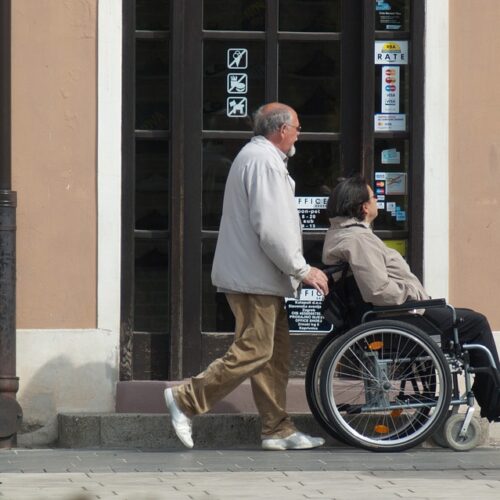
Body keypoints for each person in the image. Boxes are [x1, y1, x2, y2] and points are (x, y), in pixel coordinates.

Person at [164, 102, 329, 450]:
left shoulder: (259, 158)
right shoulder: (264, 162)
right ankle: (186, 399)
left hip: (258, 276)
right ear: (281, 129)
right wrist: (301, 268)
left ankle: (276, 428)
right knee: (255, 350)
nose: (300, 134)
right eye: (297, 127)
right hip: (254, 278)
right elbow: (272, 228)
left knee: (273, 355)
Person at [322, 176, 500, 421]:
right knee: (476, 323)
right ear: (363, 207)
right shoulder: (358, 239)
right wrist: (412, 295)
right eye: (373, 197)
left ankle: (491, 394)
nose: (376, 201)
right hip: (399, 315)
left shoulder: (344, 235)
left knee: (467, 319)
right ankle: (495, 401)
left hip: (394, 314)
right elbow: (378, 291)